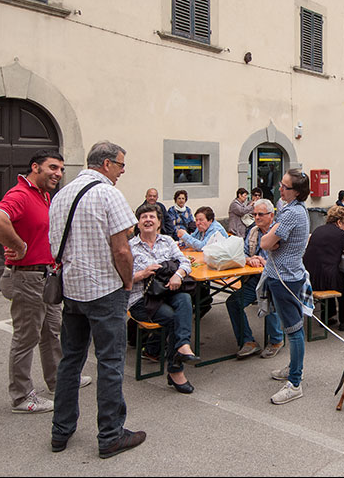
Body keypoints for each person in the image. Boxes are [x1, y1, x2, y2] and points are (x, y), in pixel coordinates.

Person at [48, 140, 145, 458]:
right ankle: (110, 435)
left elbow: (54, 247)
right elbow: (122, 249)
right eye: (120, 165)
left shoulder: (62, 194)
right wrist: (128, 282)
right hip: (104, 290)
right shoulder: (108, 193)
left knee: (70, 361)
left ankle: (60, 432)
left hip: (73, 290)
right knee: (110, 362)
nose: (121, 172)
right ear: (106, 164)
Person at [0, 150, 92, 414]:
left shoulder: (43, 195)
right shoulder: (20, 194)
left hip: (46, 276)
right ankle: (22, 397)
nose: (58, 173)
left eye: (61, 169)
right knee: (26, 337)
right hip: (27, 276)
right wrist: (17, 245)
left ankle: (57, 381)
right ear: (35, 167)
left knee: (51, 332)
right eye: (52, 167)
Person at [127, 204, 199, 393]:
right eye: (144, 217)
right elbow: (120, 278)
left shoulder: (167, 241)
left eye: (152, 216)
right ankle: (176, 370)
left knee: (184, 299)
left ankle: (183, 344)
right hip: (141, 299)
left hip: (167, 293)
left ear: (159, 222)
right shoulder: (130, 246)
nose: (148, 220)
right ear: (139, 223)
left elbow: (185, 261)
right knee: (173, 317)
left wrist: (179, 275)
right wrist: (142, 274)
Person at [260, 169, 311, 405]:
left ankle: (295, 382)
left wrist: (270, 235)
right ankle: (293, 367)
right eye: (281, 184)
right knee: (290, 326)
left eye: (285, 187)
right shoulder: (289, 209)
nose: (280, 189)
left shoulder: (291, 214)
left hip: (286, 278)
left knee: (294, 330)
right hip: (283, 275)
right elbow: (271, 241)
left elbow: (266, 242)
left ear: (297, 192)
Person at [225, 199, 285, 359]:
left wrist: (265, 262)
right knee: (233, 302)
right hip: (255, 279)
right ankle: (248, 341)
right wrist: (248, 259)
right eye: (255, 214)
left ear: (271, 215)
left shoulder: (280, 232)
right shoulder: (253, 231)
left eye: (260, 214)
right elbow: (242, 253)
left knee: (269, 297)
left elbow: (286, 260)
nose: (256, 217)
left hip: (275, 278)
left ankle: (276, 340)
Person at [303, 206, 344, 330]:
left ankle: (328, 315)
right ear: (339, 222)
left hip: (309, 276)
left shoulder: (318, 229)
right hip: (324, 279)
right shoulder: (340, 233)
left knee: (332, 274)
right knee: (342, 280)